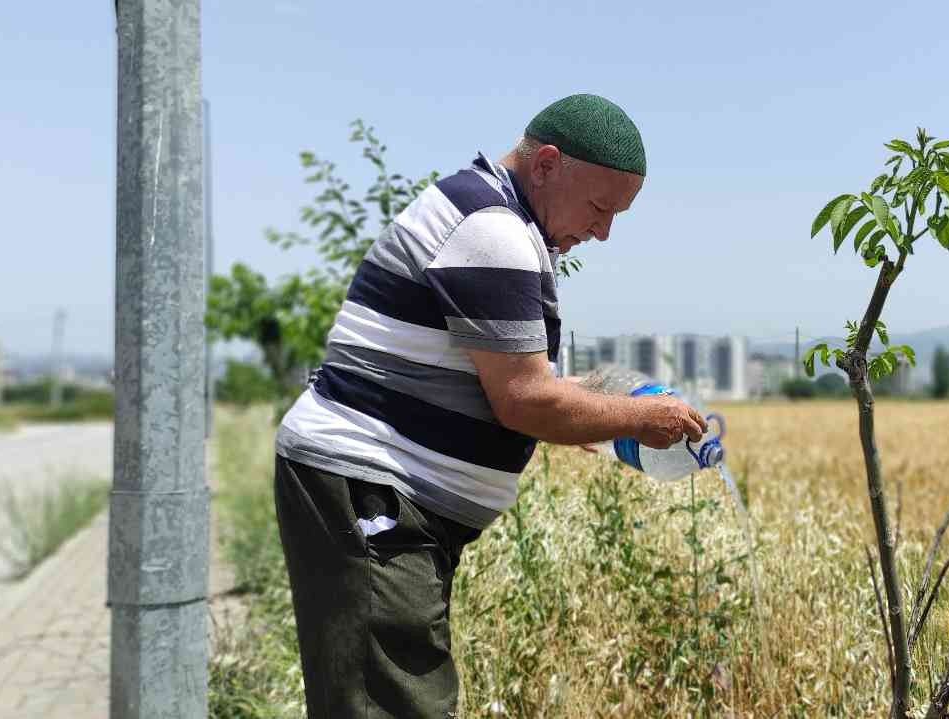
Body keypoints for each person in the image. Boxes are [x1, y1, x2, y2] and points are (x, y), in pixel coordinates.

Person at [271, 93, 707, 718]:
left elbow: (500, 380)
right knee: (393, 705)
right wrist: (642, 418)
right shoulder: (492, 230)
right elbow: (523, 401)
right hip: (373, 492)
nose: (603, 232)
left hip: (383, 496)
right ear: (548, 164)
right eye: (600, 207)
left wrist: (592, 410)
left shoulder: (491, 211)